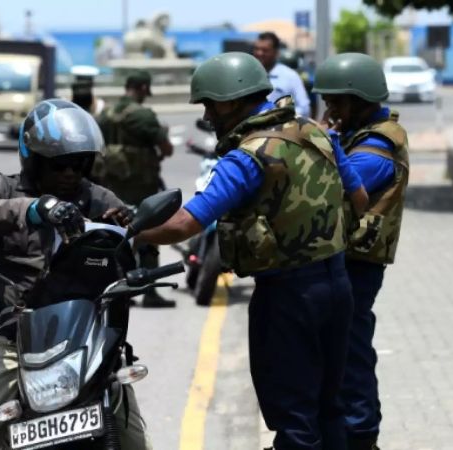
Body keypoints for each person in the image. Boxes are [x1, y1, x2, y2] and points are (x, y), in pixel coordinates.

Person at [137, 52, 353, 450]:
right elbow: (356, 192)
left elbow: (186, 223)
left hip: (288, 298)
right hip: (338, 284)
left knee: (295, 421)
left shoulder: (247, 157)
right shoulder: (314, 130)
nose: (206, 115)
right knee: (329, 407)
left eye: (208, 104)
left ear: (230, 100)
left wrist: (132, 231)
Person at [0, 99, 153, 450]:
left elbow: (130, 257)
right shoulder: (3, 187)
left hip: (84, 342)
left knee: (133, 440)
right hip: (11, 338)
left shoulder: (97, 199)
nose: (69, 173)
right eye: (58, 165)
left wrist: (129, 231)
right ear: (34, 160)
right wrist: (35, 209)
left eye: (77, 163)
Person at [313, 53, 411, 450]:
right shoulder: (362, 134)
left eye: (337, 103)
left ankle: (360, 436)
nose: (330, 110)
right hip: (346, 261)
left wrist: (326, 147)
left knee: (351, 352)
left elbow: (336, 187)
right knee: (336, 350)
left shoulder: (376, 148)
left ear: (362, 100)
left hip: (358, 264)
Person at [92, 69, 176, 308]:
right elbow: (167, 149)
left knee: (116, 234)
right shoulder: (143, 116)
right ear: (142, 89)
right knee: (149, 232)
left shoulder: (104, 114)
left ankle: (119, 290)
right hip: (141, 185)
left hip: (110, 185)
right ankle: (149, 291)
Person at [253, 31, 311, 118]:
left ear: (276, 53)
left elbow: (304, 109)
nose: (259, 53)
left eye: (265, 50)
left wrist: (279, 116)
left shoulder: (290, 76)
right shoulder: (249, 75)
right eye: (257, 49)